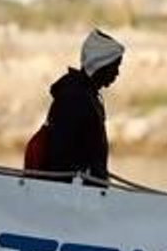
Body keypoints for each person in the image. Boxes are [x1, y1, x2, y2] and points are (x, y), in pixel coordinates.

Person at [41, 29, 124, 181]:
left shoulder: (85, 94)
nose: (117, 73)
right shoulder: (75, 98)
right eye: (115, 66)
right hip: (72, 195)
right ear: (101, 64)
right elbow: (61, 158)